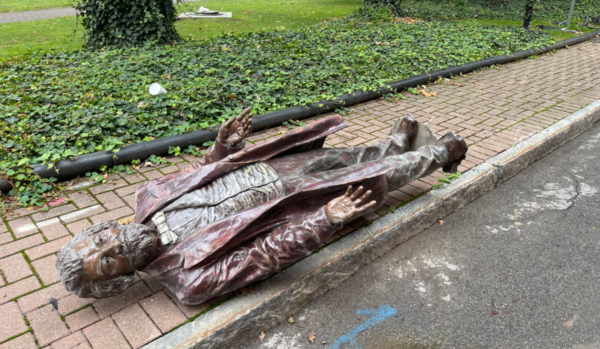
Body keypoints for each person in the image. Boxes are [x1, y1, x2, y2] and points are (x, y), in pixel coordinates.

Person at [56, 108, 467, 305]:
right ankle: (442, 155)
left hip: (267, 170)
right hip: (286, 205)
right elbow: (263, 256)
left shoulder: (148, 194)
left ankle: (394, 143)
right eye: (108, 262)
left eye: (102, 240)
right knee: (372, 179)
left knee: (347, 157)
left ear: (101, 226)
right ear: (121, 281)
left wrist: (224, 147)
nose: (115, 247)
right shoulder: (188, 281)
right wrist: (323, 220)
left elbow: (200, 173)